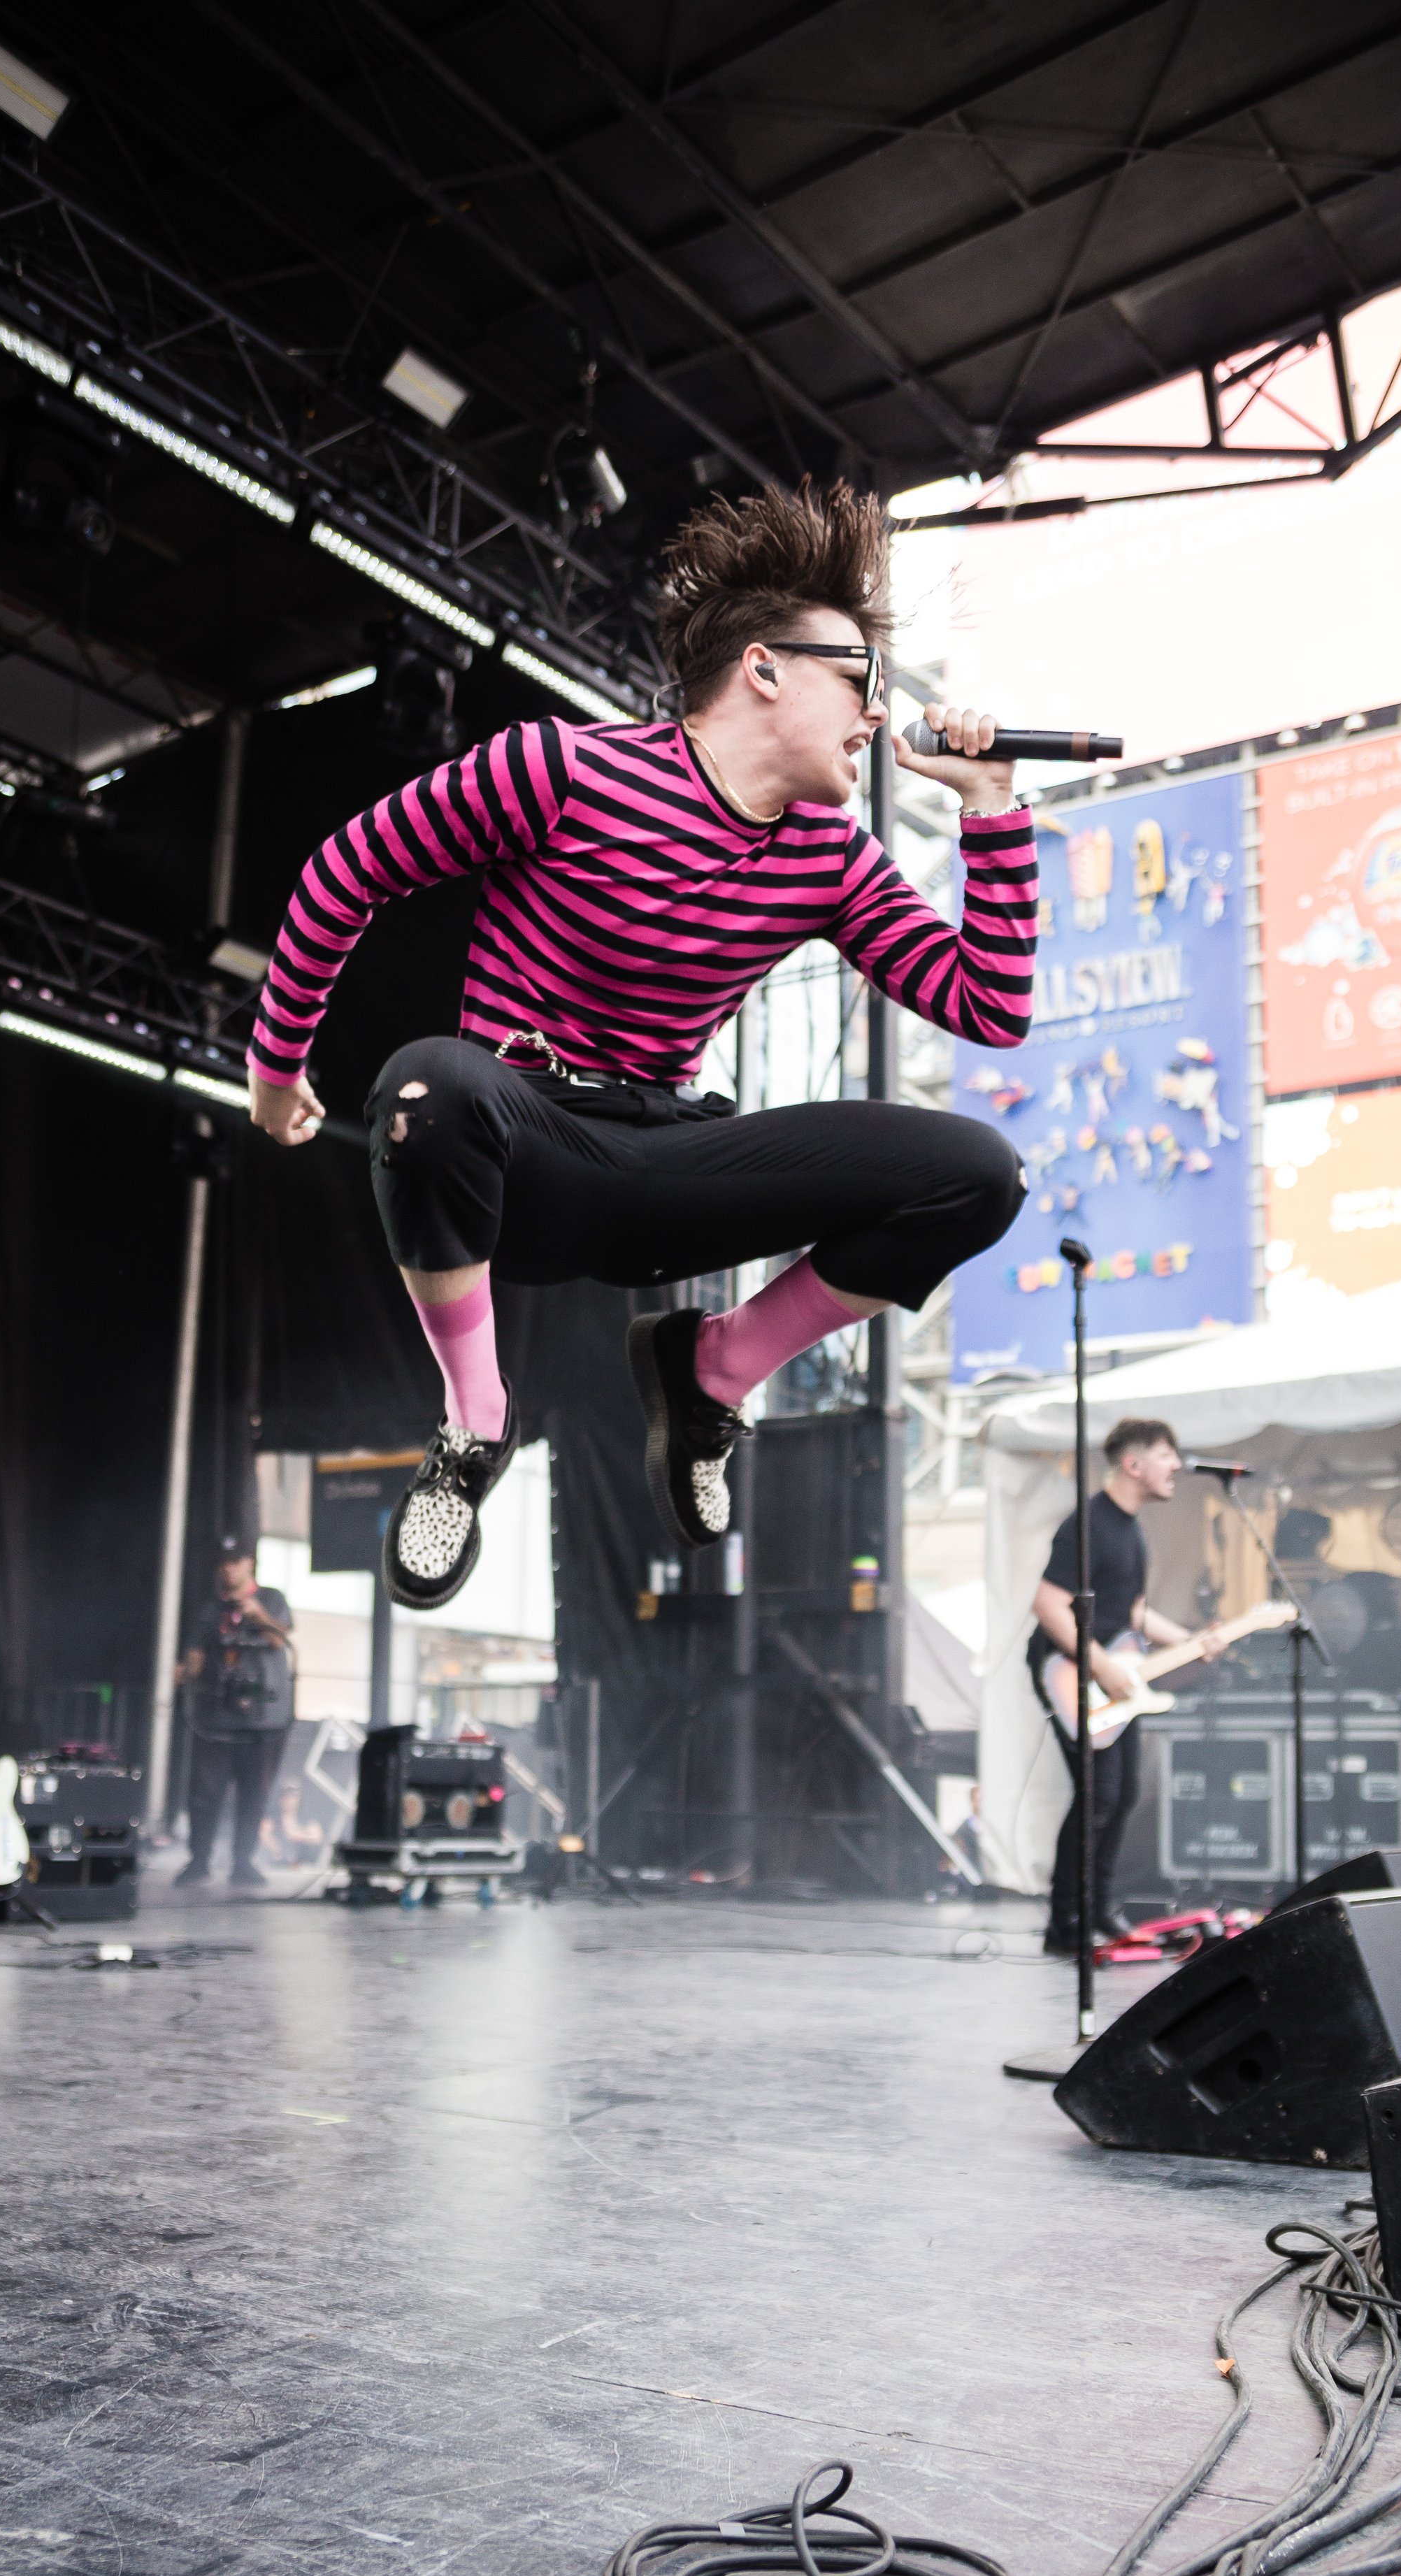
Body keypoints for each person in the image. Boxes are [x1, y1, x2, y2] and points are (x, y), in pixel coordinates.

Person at [248, 479, 1037, 1609]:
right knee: (425, 1089)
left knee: (979, 1175)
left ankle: (712, 1370)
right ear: (763, 666)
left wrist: (993, 808)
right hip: (528, 1151)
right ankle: (474, 1423)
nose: (876, 716)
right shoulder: (564, 771)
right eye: (858, 680)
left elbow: (990, 1004)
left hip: (669, 1160)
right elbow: (347, 871)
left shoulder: (830, 855)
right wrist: (276, 1071)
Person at [1027, 1418, 1226, 1957]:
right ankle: (1064, 1921)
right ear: (1133, 1464)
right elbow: (1048, 1604)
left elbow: (1131, 1611)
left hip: (1115, 1673)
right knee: (1098, 1795)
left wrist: (1189, 1640)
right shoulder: (1086, 1524)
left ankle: (1100, 1909)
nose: (1177, 1467)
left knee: (1123, 1796)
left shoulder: (1133, 1532)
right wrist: (1097, 1664)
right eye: (1167, 1456)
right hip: (1071, 1672)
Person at [176, 1537, 294, 1890]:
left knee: (254, 1792)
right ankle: (199, 1860)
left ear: (249, 1564)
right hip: (216, 1716)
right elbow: (194, 1655)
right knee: (205, 1791)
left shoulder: (271, 1599)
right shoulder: (210, 1610)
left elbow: (280, 1640)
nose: (229, 1569)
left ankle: (244, 1862)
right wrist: (186, 1669)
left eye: (236, 1562)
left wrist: (257, 1614)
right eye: (223, 1563)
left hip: (263, 1717)